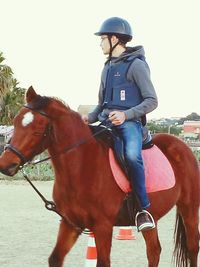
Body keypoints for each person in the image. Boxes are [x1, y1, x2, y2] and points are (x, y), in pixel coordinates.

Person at [82, 17, 158, 231]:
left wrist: (126, 115)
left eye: (103, 39)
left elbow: (152, 100)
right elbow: (101, 104)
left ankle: (143, 209)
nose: (100, 44)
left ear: (114, 39)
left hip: (130, 124)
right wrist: (90, 117)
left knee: (132, 156)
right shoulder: (106, 68)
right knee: (81, 147)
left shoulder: (137, 66)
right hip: (106, 123)